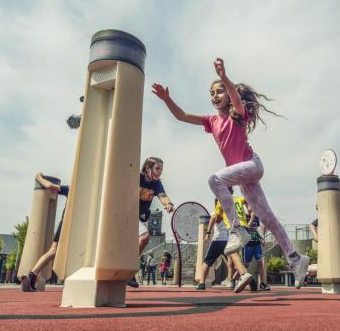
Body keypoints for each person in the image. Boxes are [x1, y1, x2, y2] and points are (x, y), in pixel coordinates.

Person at [152, 58, 309, 288]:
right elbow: (182, 116)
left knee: (215, 179)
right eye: (212, 93)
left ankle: (235, 229)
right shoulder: (211, 121)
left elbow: (235, 97)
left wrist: (225, 77)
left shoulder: (238, 113)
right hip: (245, 179)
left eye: (219, 91)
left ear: (229, 94)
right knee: (269, 219)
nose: (215, 96)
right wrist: (167, 100)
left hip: (253, 166)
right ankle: (296, 258)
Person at [127, 157, 175, 288]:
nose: (160, 172)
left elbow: (162, 196)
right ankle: (128, 270)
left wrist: (168, 204)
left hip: (139, 217)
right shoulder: (137, 177)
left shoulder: (156, 183)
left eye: (161, 169)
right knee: (143, 237)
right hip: (126, 213)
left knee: (139, 241)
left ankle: (129, 273)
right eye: (157, 168)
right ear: (148, 168)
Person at [20, 172, 69, 292]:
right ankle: (33, 275)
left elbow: (50, 186)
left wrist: (38, 178)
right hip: (73, 225)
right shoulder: (88, 192)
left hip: (66, 223)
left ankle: (33, 274)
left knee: (53, 251)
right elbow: (50, 187)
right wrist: (39, 178)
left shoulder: (71, 189)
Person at [243, 209, 269, 291]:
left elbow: (257, 230)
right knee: (245, 265)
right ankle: (238, 280)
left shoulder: (256, 218)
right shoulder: (245, 217)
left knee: (260, 263)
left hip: (257, 244)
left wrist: (262, 239)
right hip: (248, 244)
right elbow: (246, 228)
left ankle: (262, 283)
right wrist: (252, 217)